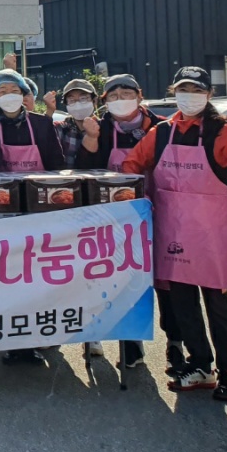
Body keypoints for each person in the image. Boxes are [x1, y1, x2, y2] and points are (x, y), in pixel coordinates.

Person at [122, 66, 227, 402]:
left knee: (217, 302)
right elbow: (132, 164)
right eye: (183, 89)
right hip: (171, 230)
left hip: (209, 235)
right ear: (174, 92)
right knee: (182, 301)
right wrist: (134, 195)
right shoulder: (162, 133)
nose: (189, 96)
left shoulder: (222, 132)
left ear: (208, 95)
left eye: (196, 90)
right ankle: (200, 365)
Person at [70, 74, 165, 367]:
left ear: (139, 95)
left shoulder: (160, 127)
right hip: (106, 215)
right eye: (113, 96)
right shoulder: (100, 127)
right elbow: (85, 171)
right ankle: (94, 334)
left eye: (126, 94)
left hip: (150, 212)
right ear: (105, 101)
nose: (120, 100)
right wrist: (91, 138)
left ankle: (133, 344)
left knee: (138, 279)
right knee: (100, 275)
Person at [0, 68, 65, 173]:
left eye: (15, 91)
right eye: (2, 92)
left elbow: (56, 163)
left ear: (22, 94)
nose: (9, 95)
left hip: (39, 182)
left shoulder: (42, 123)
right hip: (4, 183)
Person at [47, 77, 99, 167]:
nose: (77, 104)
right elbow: (43, 133)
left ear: (94, 101)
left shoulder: (104, 127)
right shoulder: (61, 129)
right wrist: (49, 110)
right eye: (71, 100)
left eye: (83, 98)